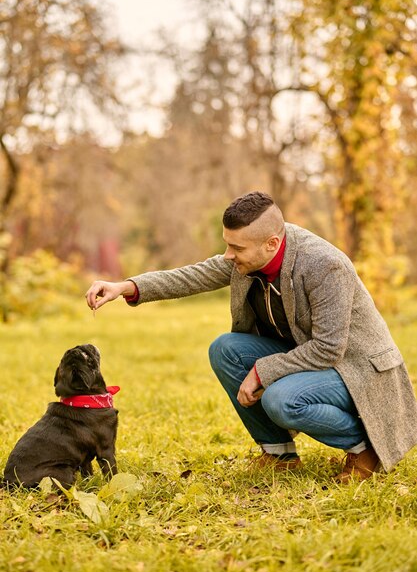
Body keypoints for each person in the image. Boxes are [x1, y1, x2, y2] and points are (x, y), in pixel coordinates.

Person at [85, 191, 417, 482]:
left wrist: (263, 370)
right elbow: (192, 276)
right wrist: (125, 287)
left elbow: (329, 349)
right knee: (225, 349)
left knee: (281, 400)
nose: (228, 255)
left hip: (355, 368)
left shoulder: (323, 265)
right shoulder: (248, 255)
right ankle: (280, 455)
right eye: (228, 244)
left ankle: (364, 447)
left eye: (235, 247)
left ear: (272, 243)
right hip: (308, 356)